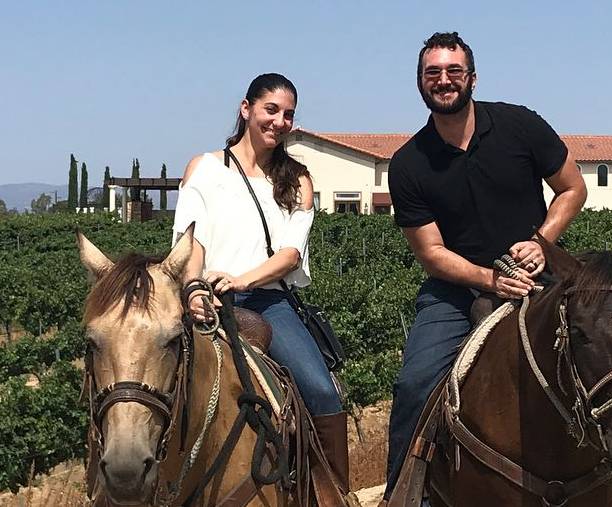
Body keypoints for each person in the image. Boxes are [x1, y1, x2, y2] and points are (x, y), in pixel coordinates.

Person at [382, 32, 587, 502]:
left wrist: (541, 241)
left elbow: (573, 189)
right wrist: (490, 279)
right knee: (414, 383)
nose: (444, 81)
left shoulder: (521, 126)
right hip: (454, 292)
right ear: (420, 82)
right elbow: (431, 252)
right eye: (433, 73)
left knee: (606, 352)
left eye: (454, 71)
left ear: (472, 77)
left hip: (538, 278)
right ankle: (405, 494)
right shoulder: (409, 163)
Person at [171, 73, 350, 496]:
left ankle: (333, 493)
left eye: (288, 114)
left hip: (268, 301)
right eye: (271, 110)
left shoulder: (298, 180)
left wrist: (240, 280)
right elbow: (191, 242)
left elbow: (290, 255)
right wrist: (195, 288)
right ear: (246, 108)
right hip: (205, 298)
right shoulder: (205, 167)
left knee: (323, 391)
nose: (280, 121)